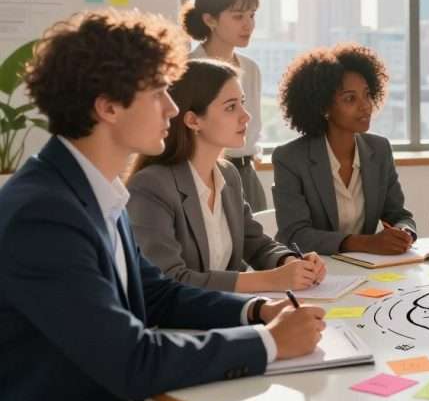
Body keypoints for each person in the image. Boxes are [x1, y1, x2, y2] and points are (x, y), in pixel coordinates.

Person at [0, 10, 324, 401]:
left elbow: (158, 293)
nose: (171, 109)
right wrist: (269, 343)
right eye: (157, 92)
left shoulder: (95, 192)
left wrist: (257, 310)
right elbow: (131, 361)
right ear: (109, 108)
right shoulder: (43, 215)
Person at [127, 59, 327, 292]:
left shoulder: (228, 175)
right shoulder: (151, 186)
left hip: (227, 312)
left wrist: (290, 262)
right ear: (193, 120)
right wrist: (273, 279)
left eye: (242, 103)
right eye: (231, 107)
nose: (246, 116)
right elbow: (169, 281)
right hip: (183, 324)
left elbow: (256, 245)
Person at [273, 44, 417, 255]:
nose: (365, 106)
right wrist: (364, 243)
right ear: (323, 107)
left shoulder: (380, 149)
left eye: (367, 95)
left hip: (368, 270)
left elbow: (398, 214)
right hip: (315, 272)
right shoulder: (290, 159)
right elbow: (295, 235)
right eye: (350, 98)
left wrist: (404, 232)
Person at [182, 0, 268, 210]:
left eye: (252, 15)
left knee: (259, 243)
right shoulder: (187, 68)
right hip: (203, 173)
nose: (248, 25)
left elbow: (253, 128)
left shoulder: (250, 69)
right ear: (210, 19)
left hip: (247, 174)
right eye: (238, 16)